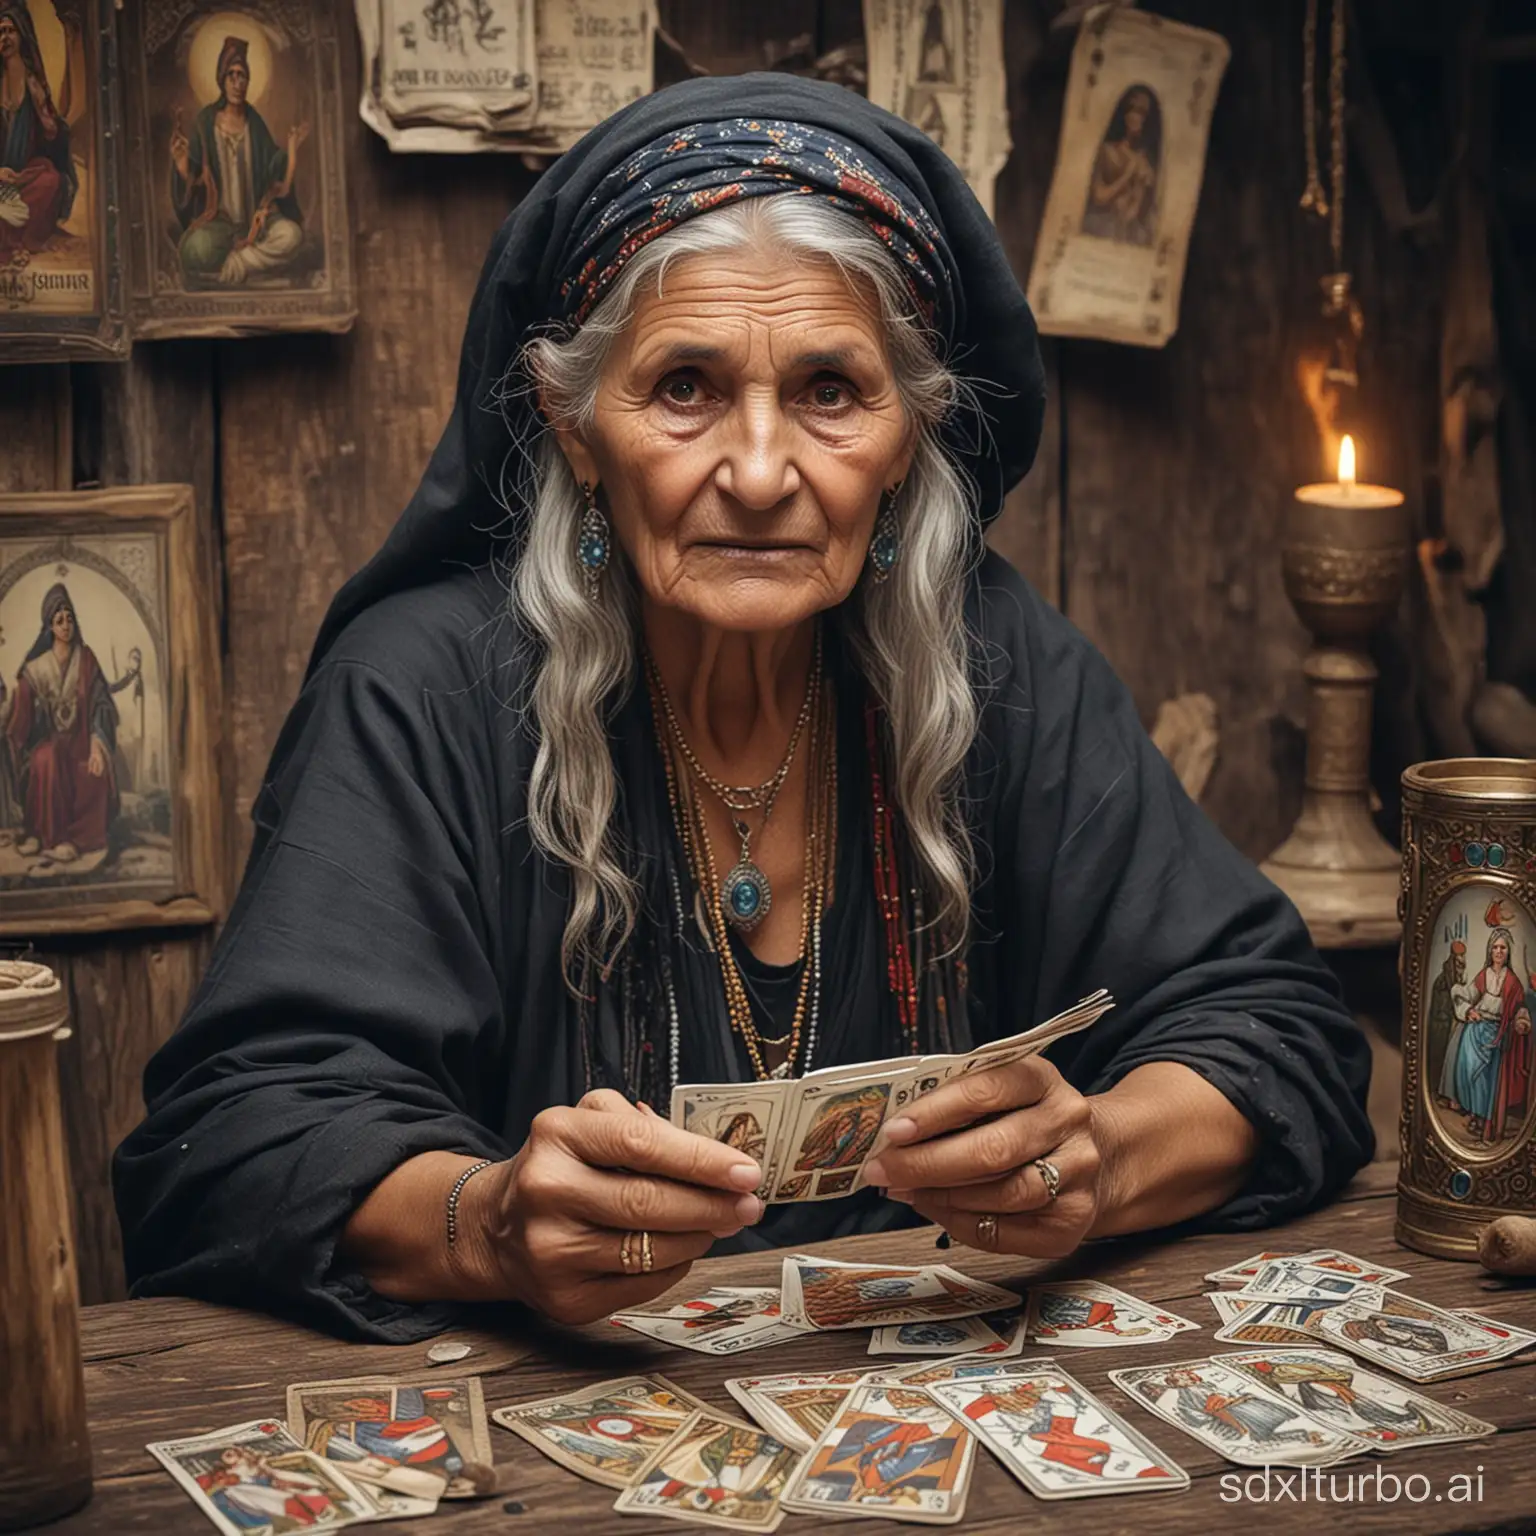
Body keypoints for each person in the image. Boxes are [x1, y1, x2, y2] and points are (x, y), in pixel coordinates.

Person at [114, 74, 1373, 1344]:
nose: (763, 472)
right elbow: (236, 1139)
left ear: (910, 438)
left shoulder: (992, 661)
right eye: (683, 389)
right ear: (573, 426)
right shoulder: (426, 690)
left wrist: (1090, 1158)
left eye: (832, 392)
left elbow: (1274, 1030)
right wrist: (486, 1223)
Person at [170, 35, 309, 286]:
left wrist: (292, 149)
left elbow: (277, 180)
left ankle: (237, 265)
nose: (237, 83)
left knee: (292, 236)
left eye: (242, 75)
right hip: (219, 223)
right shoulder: (205, 123)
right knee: (192, 250)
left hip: (258, 222)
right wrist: (181, 165)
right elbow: (195, 180)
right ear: (221, 79)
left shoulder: (254, 123)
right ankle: (253, 269)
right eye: (231, 75)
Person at [2, 583, 119, 865]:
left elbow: (102, 702)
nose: (66, 625)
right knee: (48, 758)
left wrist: (97, 743)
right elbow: (21, 716)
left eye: (69, 619)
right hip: (47, 743)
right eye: (59, 620)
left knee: (92, 771)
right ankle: (43, 835)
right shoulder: (36, 668)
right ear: (50, 627)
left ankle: (72, 840)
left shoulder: (86, 659)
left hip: (81, 743)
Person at [0, 3, 74, 262]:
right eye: (0, 32)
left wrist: (50, 123)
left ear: (22, 35)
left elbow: (52, 132)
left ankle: (19, 240)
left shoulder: (34, 82)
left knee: (50, 179)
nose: (5, 38)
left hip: (23, 175)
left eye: (10, 31)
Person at [1451, 927, 1532, 1143]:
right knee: (1467, 1071)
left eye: (1502, 948)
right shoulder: (1483, 975)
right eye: (1495, 947)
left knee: (1487, 1082)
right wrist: (1469, 1011)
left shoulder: (1513, 981)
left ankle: (1485, 1120)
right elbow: (1467, 996)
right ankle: (1474, 1114)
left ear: (1507, 953)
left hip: (1496, 1036)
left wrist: (1522, 1021)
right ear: (1490, 951)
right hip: (1475, 1030)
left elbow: (1519, 1008)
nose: (1498, 951)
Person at [1082, 85, 1159, 247]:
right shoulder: (1107, 151)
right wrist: (1128, 174)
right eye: (1134, 110)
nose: (1138, 118)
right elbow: (1099, 196)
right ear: (1124, 113)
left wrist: (1140, 186)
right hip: (1101, 226)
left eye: (1143, 113)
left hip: (1128, 233)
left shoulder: (1144, 162)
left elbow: (1136, 212)